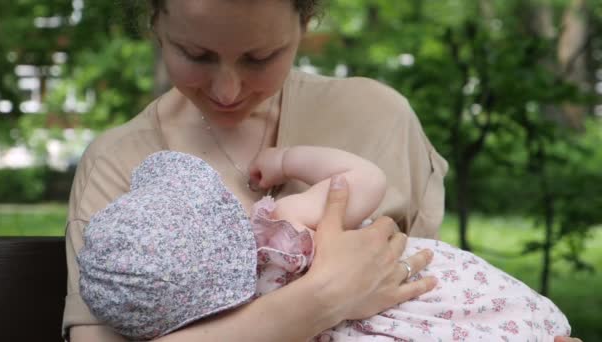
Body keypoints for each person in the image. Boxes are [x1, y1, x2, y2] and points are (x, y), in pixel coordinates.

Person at [62, 1, 582, 341]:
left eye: (260, 57)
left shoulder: (375, 116)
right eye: (194, 54)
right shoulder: (118, 161)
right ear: (155, 24)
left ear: (306, 22)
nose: (227, 90)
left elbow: (429, 299)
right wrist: (323, 299)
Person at [77, 147, 570, 341]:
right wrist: (287, 161)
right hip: (433, 291)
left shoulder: (219, 328)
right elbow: (365, 180)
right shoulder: (275, 227)